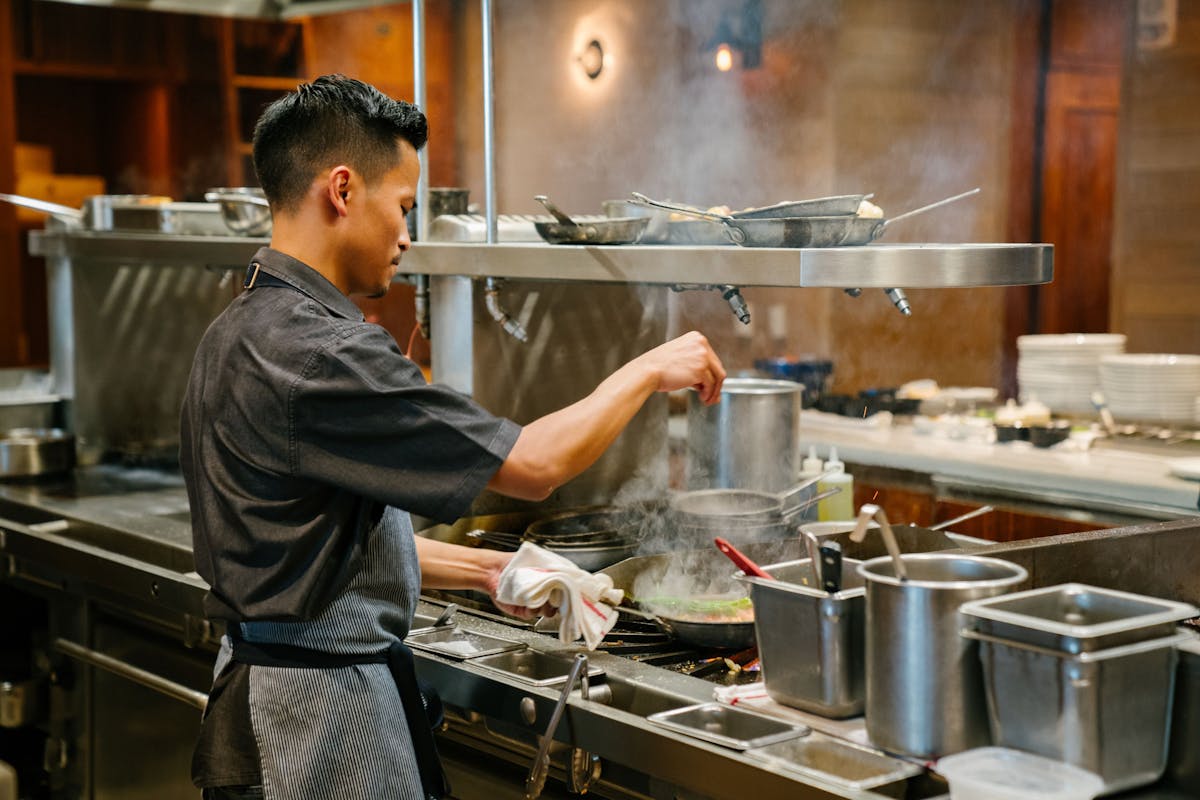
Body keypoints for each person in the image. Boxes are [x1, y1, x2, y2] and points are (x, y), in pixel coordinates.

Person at [179, 74, 726, 800]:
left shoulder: (234, 331)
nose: (408, 235)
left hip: (260, 696)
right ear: (342, 190)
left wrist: (487, 572)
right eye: (404, 206)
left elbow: (317, 544)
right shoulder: (324, 355)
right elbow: (534, 465)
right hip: (317, 725)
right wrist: (651, 368)